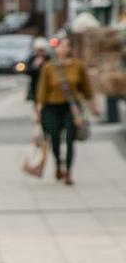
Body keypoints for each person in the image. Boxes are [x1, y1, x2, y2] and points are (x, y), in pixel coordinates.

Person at [35, 36, 99, 184]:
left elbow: (87, 89)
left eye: (65, 46)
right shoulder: (49, 67)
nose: (62, 49)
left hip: (71, 108)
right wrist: (39, 111)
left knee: (70, 139)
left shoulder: (77, 66)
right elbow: (42, 91)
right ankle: (58, 164)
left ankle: (69, 172)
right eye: (60, 46)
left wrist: (94, 106)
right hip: (51, 108)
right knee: (55, 138)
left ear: (69, 48)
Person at [26, 37, 49, 103]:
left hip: (47, 86)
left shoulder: (48, 59)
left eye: (42, 50)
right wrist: (35, 66)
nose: (40, 53)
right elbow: (27, 72)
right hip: (35, 85)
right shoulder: (32, 59)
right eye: (39, 51)